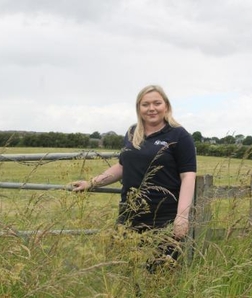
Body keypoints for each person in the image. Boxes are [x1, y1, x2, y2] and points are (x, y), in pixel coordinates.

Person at [71, 84, 197, 270]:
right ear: (139, 108)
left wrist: (182, 216)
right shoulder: (132, 132)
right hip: (130, 214)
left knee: (160, 274)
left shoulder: (179, 135)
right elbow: (122, 166)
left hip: (163, 217)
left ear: (166, 106)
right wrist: (92, 183)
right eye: (145, 104)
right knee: (129, 271)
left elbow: (188, 176)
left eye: (157, 103)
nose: (151, 108)